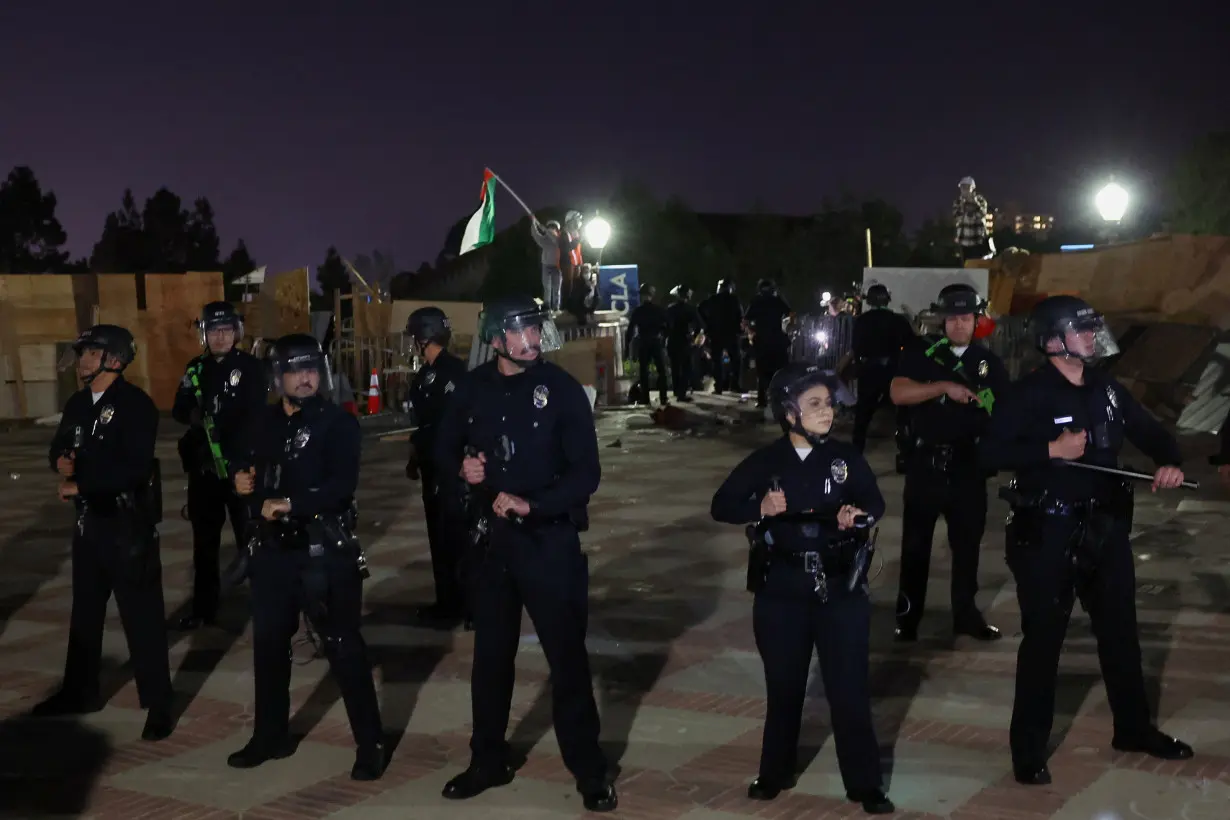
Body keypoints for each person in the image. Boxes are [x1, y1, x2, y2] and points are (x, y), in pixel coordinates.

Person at [980, 295, 1193, 786]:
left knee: (1121, 636)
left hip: (1107, 530)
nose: (1093, 337)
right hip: (1048, 532)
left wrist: (1170, 462)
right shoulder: (1029, 393)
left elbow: (1153, 434)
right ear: (1054, 341)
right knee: (1043, 643)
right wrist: (1049, 450)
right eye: (1083, 329)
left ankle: (1134, 730)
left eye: (1093, 328)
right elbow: (987, 453)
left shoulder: (1107, 389)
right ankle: (1028, 752)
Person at [434, 297, 616, 812]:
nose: (534, 338)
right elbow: (443, 448)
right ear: (496, 339)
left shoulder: (559, 390)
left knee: (568, 658)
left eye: (537, 328)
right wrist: (464, 468)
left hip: (549, 541)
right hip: (491, 544)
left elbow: (587, 473)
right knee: (491, 659)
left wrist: (534, 503)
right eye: (522, 330)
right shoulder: (470, 389)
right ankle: (487, 760)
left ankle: (589, 769)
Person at [710, 364, 893, 815]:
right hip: (782, 590)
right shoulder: (766, 461)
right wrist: (760, 506)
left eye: (829, 404)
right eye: (815, 404)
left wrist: (860, 516)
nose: (827, 412)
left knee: (848, 689)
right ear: (789, 413)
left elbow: (875, 502)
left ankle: (864, 783)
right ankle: (775, 771)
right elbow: (722, 505)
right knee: (785, 686)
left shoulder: (845, 458)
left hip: (840, 591)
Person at [225, 334, 384, 780]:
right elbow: (246, 472)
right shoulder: (262, 421)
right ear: (279, 377)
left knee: (343, 647)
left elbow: (340, 486)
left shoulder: (338, 423)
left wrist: (292, 503)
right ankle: (268, 736)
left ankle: (370, 743)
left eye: (312, 368)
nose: (306, 377)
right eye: (295, 369)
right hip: (273, 552)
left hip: (323, 551)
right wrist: (241, 486)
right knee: (270, 647)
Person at [34, 325, 174, 741]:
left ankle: (159, 705)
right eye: (82, 354)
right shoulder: (78, 403)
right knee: (86, 614)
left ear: (113, 359)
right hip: (89, 525)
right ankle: (79, 691)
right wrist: (60, 461)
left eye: (90, 353)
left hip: (127, 525)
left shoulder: (136, 405)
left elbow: (133, 468)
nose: (82, 361)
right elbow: (60, 445)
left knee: (142, 617)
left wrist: (84, 484)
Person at [889, 284, 1005, 642]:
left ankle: (966, 616)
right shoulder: (924, 354)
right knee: (915, 548)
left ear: (976, 321)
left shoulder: (988, 363)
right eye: (952, 318)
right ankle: (907, 619)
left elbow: (1005, 411)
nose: (958, 325)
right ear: (943, 320)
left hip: (968, 466)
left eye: (965, 318)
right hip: (926, 464)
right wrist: (941, 387)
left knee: (967, 547)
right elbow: (898, 392)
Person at [172, 301, 268, 629]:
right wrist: (194, 415)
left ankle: (266, 608)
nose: (220, 337)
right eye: (214, 330)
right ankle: (204, 610)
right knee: (205, 545)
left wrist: (246, 461)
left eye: (226, 330)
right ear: (204, 334)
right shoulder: (195, 369)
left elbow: (256, 418)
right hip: (205, 471)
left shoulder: (252, 368)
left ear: (237, 332)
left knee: (251, 540)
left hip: (239, 469)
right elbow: (178, 407)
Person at [404, 306, 470, 625]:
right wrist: (416, 457)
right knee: (439, 538)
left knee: (458, 540)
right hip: (433, 469)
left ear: (423, 337)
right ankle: (447, 603)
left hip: (453, 470)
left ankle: (469, 607)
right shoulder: (425, 376)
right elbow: (425, 425)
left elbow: (458, 425)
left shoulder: (454, 372)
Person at [851, 283, 917, 452]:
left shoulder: (862, 321)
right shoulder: (898, 320)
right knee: (903, 413)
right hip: (894, 370)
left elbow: (856, 347)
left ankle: (856, 452)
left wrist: (860, 367)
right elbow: (911, 344)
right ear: (887, 300)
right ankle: (907, 451)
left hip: (869, 371)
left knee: (863, 415)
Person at [744, 279, 792, 408]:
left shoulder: (756, 301)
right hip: (777, 340)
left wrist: (751, 333)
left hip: (761, 340)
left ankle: (762, 400)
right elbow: (790, 313)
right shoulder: (777, 300)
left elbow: (746, 320)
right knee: (779, 371)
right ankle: (779, 399)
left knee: (761, 371)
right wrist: (788, 328)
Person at [626, 283, 669, 406]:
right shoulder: (659, 310)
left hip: (643, 342)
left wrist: (627, 346)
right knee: (661, 371)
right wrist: (663, 336)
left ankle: (645, 398)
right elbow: (668, 326)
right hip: (656, 342)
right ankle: (663, 398)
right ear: (652, 295)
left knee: (644, 372)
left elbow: (630, 329)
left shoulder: (638, 311)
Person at [697, 279, 743, 394]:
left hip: (716, 334)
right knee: (735, 360)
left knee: (717, 362)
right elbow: (740, 315)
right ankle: (735, 385)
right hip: (731, 334)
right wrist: (739, 329)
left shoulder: (712, 299)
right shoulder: (733, 300)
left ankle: (719, 387)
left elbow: (699, 310)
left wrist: (707, 325)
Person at [665, 284, 703, 402]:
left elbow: (664, 325)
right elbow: (700, 325)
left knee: (675, 367)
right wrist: (694, 337)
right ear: (688, 296)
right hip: (684, 341)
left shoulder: (670, 309)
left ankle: (676, 391)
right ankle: (682, 394)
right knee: (686, 368)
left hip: (671, 341)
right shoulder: (690, 309)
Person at [530, 218, 563, 312]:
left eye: (553, 227)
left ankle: (556, 307)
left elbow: (553, 237)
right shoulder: (544, 240)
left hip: (557, 266)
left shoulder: (559, 239)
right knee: (547, 288)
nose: (551, 229)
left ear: (557, 229)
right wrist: (534, 223)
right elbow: (535, 235)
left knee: (557, 288)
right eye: (550, 227)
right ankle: (547, 306)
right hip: (546, 265)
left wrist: (544, 229)